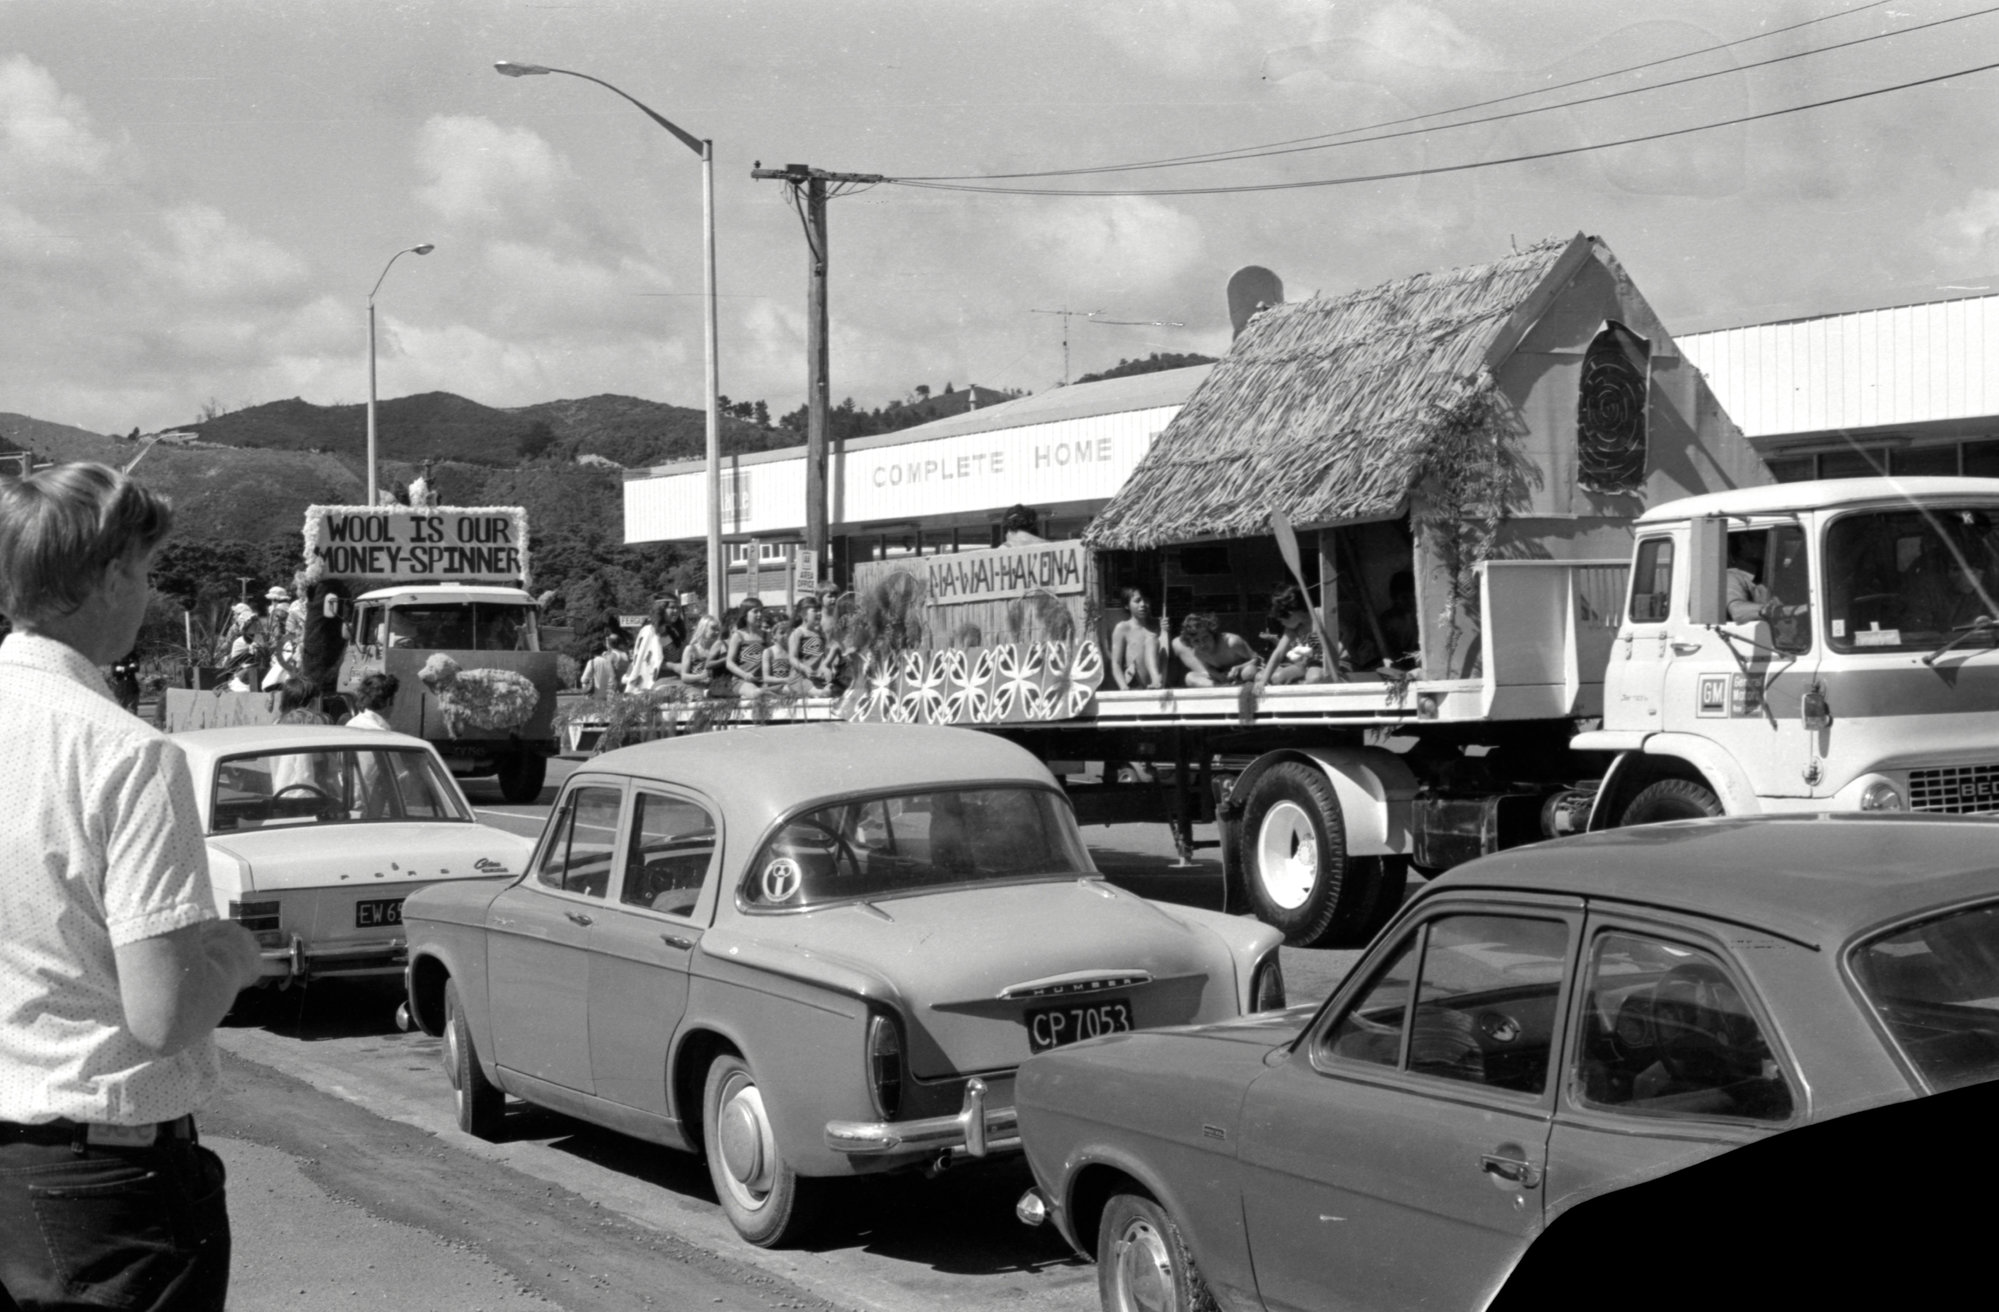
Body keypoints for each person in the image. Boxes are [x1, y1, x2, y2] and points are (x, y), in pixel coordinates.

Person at [0, 462, 265, 1310]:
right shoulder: (126, 753)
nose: (147, 594)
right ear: (111, 576)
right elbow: (163, 1016)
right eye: (145, 573)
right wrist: (230, 957)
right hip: (102, 1183)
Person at [1257, 582, 1335, 688]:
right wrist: (1263, 681)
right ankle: (1302, 682)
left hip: (1332, 662)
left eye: (1281, 620)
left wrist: (1338, 652)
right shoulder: (1294, 627)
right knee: (1276, 678)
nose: (1281, 624)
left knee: (1314, 678)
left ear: (1291, 613)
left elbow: (1349, 632)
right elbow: (1279, 652)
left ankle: (1306, 683)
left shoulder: (1322, 616)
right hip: (1310, 663)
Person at [1171, 612, 1260, 686]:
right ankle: (1223, 688)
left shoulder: (1232, 642)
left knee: (1249, 672)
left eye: (1205, 638)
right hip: (1224, 680)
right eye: (1196, 641)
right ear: (1190, 642)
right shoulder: (1198, 652)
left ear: (1212, 634)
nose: (1202, 644)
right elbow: (1209, 668)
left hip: (1244, 676)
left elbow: (1257, 659)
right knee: (1190, 677)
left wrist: (1239, 668)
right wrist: (1218, 675)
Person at [1109, 586, 1169, 690]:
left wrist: (1165, 632)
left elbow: (1164, 657)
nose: (1143, 605)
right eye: (1137, 601)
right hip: (1135, 684)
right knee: (1151, 639)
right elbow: (1116, 663)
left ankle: (1156, 680)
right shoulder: (1123, 628)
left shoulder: (1158, 625)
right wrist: (1123, 686)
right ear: (1127, 606)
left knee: (1152, 640)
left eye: (1146, 600)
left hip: (1158, 683)